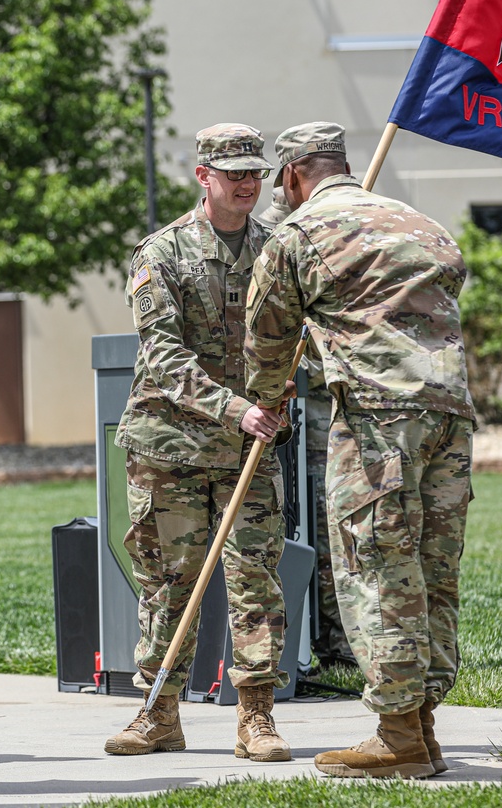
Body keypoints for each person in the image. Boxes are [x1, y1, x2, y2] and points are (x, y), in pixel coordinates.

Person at [244, 122, 475, 779]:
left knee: (375, 563)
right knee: (431, 564)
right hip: (449, 414)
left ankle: (397, 736)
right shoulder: (417, 221)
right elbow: (450, 279)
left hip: (377, 419)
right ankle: (423, 727)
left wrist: (266, 400)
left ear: (292, 176)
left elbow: (266, 336)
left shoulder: (298, 233)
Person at [104, 123, 292, 763]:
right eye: (232, 171)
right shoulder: (161, 254)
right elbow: (160, 351)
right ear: (203, 176)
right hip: (171, 448)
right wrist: (234, 406)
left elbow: (304, 338)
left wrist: (295, 376)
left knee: (255, 579)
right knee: (167, 584)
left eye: (254, 172)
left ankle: (257, 717)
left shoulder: (279, 251)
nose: (245, 183)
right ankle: (158, 712)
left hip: (250, 452)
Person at [262, 166, 356, 669]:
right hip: (289, 406)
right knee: (303, 525)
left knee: (337, 523)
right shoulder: (280, 233)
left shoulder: (355, 223)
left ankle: (342, 645)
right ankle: (307, 641)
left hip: (333, 402)